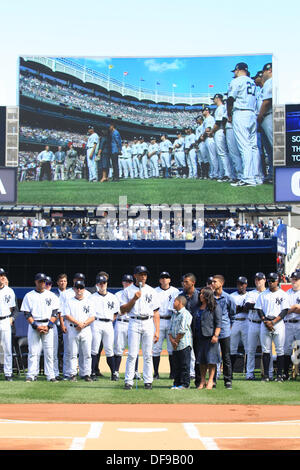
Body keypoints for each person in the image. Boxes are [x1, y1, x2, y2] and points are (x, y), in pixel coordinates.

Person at [120, 265, 160, 390]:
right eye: (141, 274)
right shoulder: (128, 291)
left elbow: (156, 312)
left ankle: (148, 381)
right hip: (134, 321)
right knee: (132, 354)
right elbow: (123, 310)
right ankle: (128, 381)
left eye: (145, 274)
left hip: (148, 322)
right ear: (135, 276)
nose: (143, 276)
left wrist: (157, 330)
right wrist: (134, 299)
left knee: (148, 354)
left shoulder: (152, 291)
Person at [20, 273, 60, 382]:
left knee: (49, 352)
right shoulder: (29, 295)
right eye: (40, 281)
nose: (42, 283)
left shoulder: (51, 295)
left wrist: (49, 326)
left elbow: (55, 312)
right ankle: (32, 374)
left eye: (44, 281)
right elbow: (27, 313)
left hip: (48, 325)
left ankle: (50, 375)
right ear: (36, 282)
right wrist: (35, 326)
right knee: (33, 351)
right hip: (35, 324)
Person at [227, 62, 261, 187]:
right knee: (253, 147)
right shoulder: (252, 82)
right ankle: (257, 176)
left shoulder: (237, 81)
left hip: (241, 113)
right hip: (252, 113)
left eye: (235, 71)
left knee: (245, 146)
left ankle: (248, 178)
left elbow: (230, 99)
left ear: (237, 69)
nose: (234, 73)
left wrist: (229, 113)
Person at [255, 272, 289, 381]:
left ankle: (279, 375)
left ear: (277, 281)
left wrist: (273, 322)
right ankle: (266, 376)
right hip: (265, 323)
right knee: (265, 350)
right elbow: (259, 309)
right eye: (269, 281)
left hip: (278, 323)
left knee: (280, 350)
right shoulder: (263, 294)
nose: (270, 282)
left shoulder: (283, 294)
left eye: (272, 280)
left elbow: (285, 310)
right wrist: (265, 321)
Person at [64, 279, 95, 382]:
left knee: (86, 354)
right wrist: (78, 324)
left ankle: (86, 374)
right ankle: (72, 374)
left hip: (85, 329)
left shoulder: (89, 301)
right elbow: (67, 315)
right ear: (74, 289)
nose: (79, 290)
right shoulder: (69, 301)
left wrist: (83, 324)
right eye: (77, 288)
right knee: (73, 353)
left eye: (81, 288)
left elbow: (92, 317)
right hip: (73, 328)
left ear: (84, 289)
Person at [90, 274, 120, 381]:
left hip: (108, 324)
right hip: (96, 323)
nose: (102, 285)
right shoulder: (92, 297)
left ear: (106, 283)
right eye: (100, 283)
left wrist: (110, 320)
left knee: (109, 349)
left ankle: (113, 373)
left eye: (104, 283)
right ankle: (92, 372)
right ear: (97, 285)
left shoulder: (113, 297)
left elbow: (116, 313)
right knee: (94, 349)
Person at [245, 272, 273, 380]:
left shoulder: (268, 293)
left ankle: (269, 373)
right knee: (250, 350)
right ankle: (250, 373)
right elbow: (247, 305)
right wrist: (260, 306)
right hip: (252, 322)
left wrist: (256, 305)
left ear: (265, 280)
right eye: (256, 279)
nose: (258, 281)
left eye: (260, 279)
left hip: (264, 323)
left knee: (267, 350)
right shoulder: (251, 293)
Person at [194, 287, 222, 390]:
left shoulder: (215, 307)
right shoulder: (198, 306)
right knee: (201, 360)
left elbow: (219, 323)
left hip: (210, 337)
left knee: (211, 360)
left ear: (207, 295)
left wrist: (216, 335)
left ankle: (210, 380)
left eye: (202, 294)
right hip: (199, 336)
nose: (200, 295)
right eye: (200, 294)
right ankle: (202, 380)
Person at [153, 271, 179, 379]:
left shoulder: (175, 291)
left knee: (171, 348)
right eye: (162, 277)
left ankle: (172, 373)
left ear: (169, 280)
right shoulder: (154, 291)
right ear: (159, 280)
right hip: (158, 320)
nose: (164, 279)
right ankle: (156, 373)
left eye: (166, 277)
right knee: (156, 348)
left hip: (170, 319)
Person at [113, 274, 140, 380]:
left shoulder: (137, 294)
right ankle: (116, 372)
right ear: (122, 282)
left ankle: (135, 371)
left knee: (134, 348)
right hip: (121, 322)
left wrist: (125, 309)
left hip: (132, 322)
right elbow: (118, 311)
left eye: (130, 281)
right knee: (118, 348)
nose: (128, 283)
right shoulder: (118, 295)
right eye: (126, 281)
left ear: (132, 283)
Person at [211, 274, 234, 389]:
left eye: (215, 282)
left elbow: (232, 313)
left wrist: (229, 327)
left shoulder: (228, 298)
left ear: (221, 283)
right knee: (214, 357)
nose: (212, 284)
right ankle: (213, 379)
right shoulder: (211, 297)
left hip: (224, 331)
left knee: (226, 357)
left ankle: (227, 380)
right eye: (212, 282)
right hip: (213, 331)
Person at [168, 295, 193, 389]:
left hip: (183, 344)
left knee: (184, 365)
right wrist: (172, 340)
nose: (173, 303)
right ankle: (177, 383)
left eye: (175, 301)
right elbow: (170, 329)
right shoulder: (174, 314)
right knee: (176, 365)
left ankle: (185, 384)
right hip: (175, 344)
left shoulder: (186, 314)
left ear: (180, 302)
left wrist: (176, 341)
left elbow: (183, 329)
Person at [179, 273, 200, 383]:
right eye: (183, 281)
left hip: (198, 329)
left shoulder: (200, 295)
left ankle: (198, 380)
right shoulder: (180, 296)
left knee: (198, 356)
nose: (184, 283)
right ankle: (185, 381)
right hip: (185, 331)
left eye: (186, 282)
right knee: (184, 357)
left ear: (193, 283)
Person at [229, 276, 249, 376]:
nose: (240, 286)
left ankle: (248, 371)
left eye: (242, 284)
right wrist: (242, 308)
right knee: (232, 347)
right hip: (235, 321)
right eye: (238, 284)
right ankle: (230, 370)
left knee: (248, 347)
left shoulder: (249, 295)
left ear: (246, 285)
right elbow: (232, 310)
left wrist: (240, 308)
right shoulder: (232, 295)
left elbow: (248, 309)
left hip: (246, 321)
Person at [0, 268, 17, 381]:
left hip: (5, 319)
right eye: (0, 275)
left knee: (7, 348)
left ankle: (8, 373)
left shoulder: (9, 291)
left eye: (3, 275)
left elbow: (13, 308)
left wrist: (11, 318)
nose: (1, 277)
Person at [283, 270, 300, 380]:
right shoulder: (286, 293)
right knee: (286, 350)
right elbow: (284, 310)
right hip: (288, 324)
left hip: (299, 323)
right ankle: (285, 373)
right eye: (292, 279)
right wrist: (295, 308)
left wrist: (291, 308)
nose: (294, 282)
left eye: (296, 279)